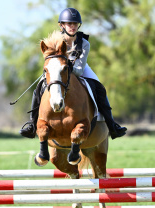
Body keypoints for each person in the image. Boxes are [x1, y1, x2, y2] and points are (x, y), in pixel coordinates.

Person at [19, 7, 127, 139]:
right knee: (39, 88)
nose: (73, 27)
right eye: (69, 24)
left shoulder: (84, 43)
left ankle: (112, 125)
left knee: (99, 87)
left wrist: (68, 67)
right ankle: (31, 124)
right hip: (57, 69)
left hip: (78, 68)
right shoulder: (56, 40)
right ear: (62, 25)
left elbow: (79, 70)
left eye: (75, 24)